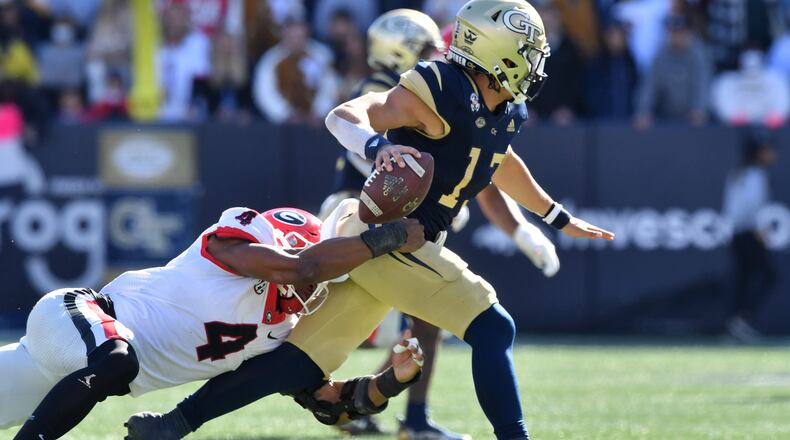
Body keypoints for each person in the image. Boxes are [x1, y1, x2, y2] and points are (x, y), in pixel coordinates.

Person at [124, 2, 614, 440]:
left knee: (293, 364)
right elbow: (344, 116)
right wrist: (380, 146)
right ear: (499, 51)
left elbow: (501, 160)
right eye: (528, 49)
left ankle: (173, 424)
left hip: (398, 245)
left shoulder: (507, 108)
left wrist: (555, 215)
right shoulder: (438, 87)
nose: (536, 60)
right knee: (493, 328)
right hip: (384, 236)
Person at [323, 10, 559, 439]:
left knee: (425, 326)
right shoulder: (402, 91)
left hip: (396, 222)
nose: (439, 57)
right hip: (364, 216)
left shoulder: (452, 95)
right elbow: (370, 144)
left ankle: (383, 409)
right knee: (317, 330)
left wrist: (528, 225)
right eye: (427, 50)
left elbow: (486, 168)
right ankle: (379, 408)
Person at [0, 206, 426, 438]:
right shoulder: (232, 246)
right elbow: (303, 268)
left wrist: (393, 381)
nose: (317, 290)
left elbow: (330, 405)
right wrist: (382, 238)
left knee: (111, 365)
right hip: (79, 316)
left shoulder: (280, 335)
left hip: (61, 375)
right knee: (117, 361)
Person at [722, 131, 777, 342]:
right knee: (767, 276)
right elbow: (749, 208)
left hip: (737, 234)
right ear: (759, 152)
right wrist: (758, 230)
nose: (772, 154)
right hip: (747, 233)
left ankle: (736, 323)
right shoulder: (754, 175)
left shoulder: (739, 173)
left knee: (744, 279)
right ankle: (739, 321)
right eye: (768, 150)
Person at [634, 14, 711, 128]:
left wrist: (699, 109)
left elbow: (702, 83)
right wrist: (643, 111)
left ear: (688, 33)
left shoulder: (698, 53)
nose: (677, 36)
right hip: (666, 116)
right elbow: (650, 85)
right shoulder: (661, 54)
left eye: (681, 32)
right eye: (674, 32)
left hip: (693, 118)